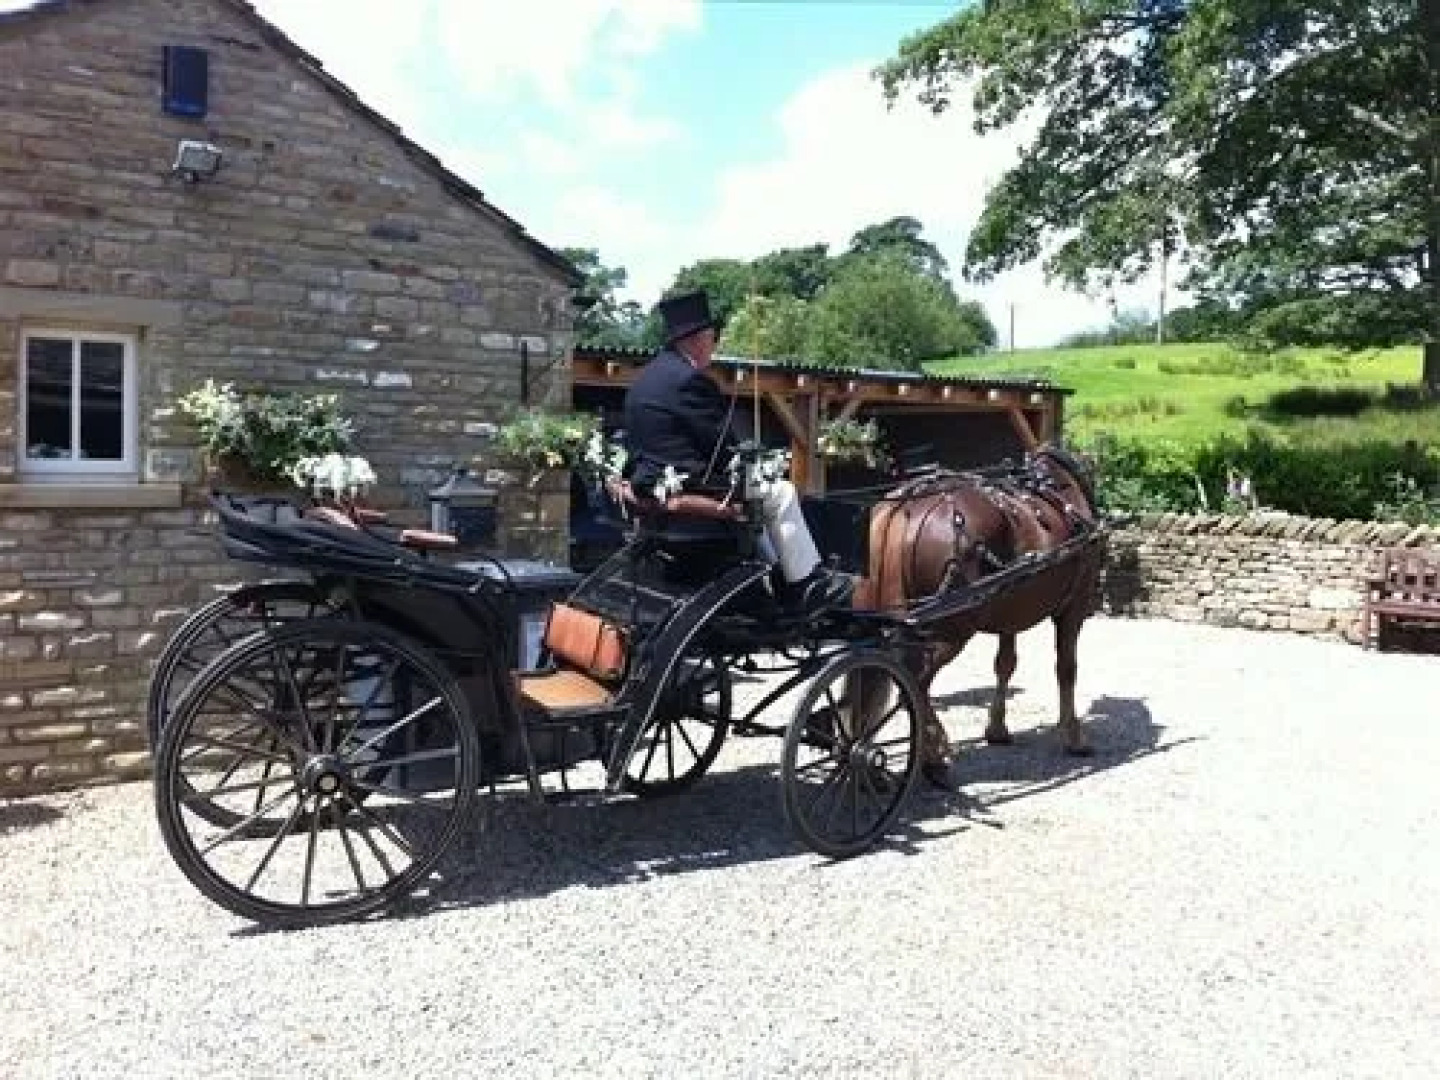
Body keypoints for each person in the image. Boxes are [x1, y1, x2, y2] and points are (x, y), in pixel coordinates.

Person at [622, 289, 853, 615]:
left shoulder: (645, 379)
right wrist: (750, 465)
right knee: (782, 493)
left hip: (653, 484)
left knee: (762, 501)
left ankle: (775, 574)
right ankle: (804, 584)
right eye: (713, 340)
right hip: (693, 485)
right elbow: (721, 446)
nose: (713, 349)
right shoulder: (688, 381)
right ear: (698, 339)